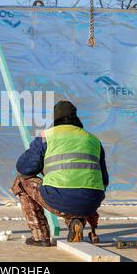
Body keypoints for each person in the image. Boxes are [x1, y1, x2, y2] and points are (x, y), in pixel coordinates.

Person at [12, 101, 109, 247]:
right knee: (77, 194)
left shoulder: (46, 136)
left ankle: (40, 236)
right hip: (91, 201)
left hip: (60, 198)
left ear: (55, 118)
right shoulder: (93, 139)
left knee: (20, 182)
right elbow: (104, 180)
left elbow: (24, 168)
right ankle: (76, 221)